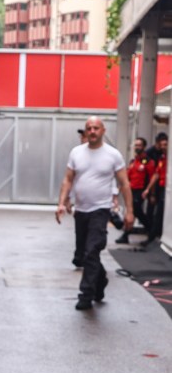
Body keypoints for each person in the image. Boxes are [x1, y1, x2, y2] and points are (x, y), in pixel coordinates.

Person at [56, 116, 133, 310]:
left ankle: (86, 295)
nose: (92, 131)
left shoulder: (113, 155)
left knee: (92, 251)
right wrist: (61, 203)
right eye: (88, 128)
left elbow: (124, 183)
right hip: (81, 211)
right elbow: (68, 179)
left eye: (95, 128)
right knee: (84, 254)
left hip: (101, 210)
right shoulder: (76, 153)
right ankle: (101, 282)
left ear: (103, 130)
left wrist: (129, 212)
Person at [116, 137, 154, 244]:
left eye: (139, 145)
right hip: (131, 190)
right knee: (135, 212)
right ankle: (149, 230)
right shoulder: (133, 161)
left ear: (144, 147)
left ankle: (150, 230)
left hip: (140, 191)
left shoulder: (148, 162)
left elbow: (152, 178)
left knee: (135, 211)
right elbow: (127, 176)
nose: (137, 147)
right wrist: (120, 188)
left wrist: (151, 193)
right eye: (136, 145)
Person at [143, 131, 167, 245]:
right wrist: (148, 189)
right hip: (161, 188)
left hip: (166, 189)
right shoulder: (161, 157)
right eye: (161, 145)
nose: (163, 147)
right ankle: (153, 234)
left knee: (160, 213)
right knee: (157, 212)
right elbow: (156, 174)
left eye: (165, 145)